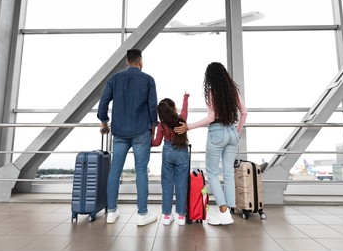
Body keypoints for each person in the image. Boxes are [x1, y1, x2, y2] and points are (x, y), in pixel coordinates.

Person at [174, 62, 247, 225]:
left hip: (217, 133)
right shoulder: (233, 90)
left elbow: (211, 118)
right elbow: (244, 112)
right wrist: (237, 132)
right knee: (228, 172)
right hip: (231, 132)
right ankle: (227, 211)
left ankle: (223, 211)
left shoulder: (211, 92)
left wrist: (189, 127)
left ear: (210, 77)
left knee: (212, 172)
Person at [97, 48, 158, 226]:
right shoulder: (148, 79)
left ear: (127, 61)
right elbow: (152, 106)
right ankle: (142, 214)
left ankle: (111, 212)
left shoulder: (114, 79)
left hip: (120, 132)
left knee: (115, 171)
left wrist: (104, 122)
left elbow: (103, 103)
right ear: (140, 61)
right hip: (141, 131)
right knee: (141, 171)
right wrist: (153, 127)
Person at [151, 93, 190, 226]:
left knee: (167, 185)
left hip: (168, 152)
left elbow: (156, 143)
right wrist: (185, 97)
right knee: (181, 184)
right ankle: (181, 217)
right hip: (182, 152)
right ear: (173, 108)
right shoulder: (181, 119)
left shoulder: (162, 125)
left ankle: (167, 216)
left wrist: (149, 137)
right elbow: (185, 110)